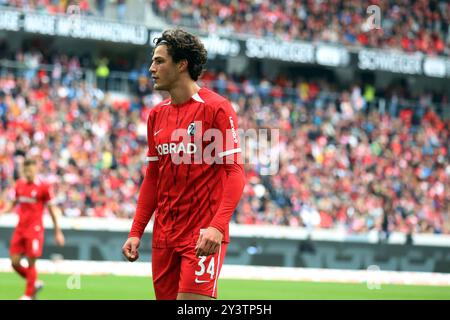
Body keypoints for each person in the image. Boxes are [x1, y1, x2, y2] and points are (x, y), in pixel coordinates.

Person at [122, 28, 246, 300]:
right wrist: (136, 231)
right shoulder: (156, 115)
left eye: (159, 61)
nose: (151, 67)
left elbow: (235, 171)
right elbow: (153, 177)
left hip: (202, 235)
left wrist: (217, 226)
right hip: (164, 236)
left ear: (181, 64)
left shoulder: (217, 108)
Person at [0, 159, 65, 300]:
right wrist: (2, 212)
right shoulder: (19, 185)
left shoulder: (43, 187)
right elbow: (12, 203)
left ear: (36, 170)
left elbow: (52, 210)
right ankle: (34, 283)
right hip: (20, 228)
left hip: (34, 230)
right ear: (23, 170)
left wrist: (57, 231)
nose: (28, 173)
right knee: (14, 262)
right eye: (26, 170)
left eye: (31, 170)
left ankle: (28, 295)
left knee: (31, 262)